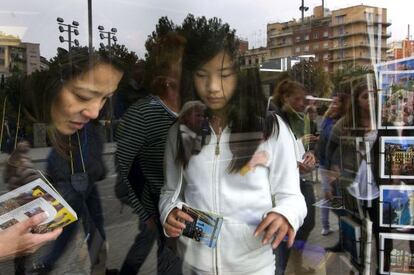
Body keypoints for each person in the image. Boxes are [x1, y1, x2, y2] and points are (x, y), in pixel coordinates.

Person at [159, 16, 306, 275]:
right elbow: (171, 191)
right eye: (202, 76)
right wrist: (168, 211)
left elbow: (292, 196)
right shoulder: (182, 130)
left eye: (224, 75)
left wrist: (285, 215)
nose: (213, 87)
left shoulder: (269, 128)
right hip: (194, 265)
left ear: (238, 76)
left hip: (253, 267)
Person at [3, 47, 124, 273]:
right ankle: (45, 265)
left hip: (85, 182)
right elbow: (59, 158)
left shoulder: (82, 123)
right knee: (64, 229)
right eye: (84, 96)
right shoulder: (68, 125)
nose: (96, 111)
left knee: (89, 227)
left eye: (105, 98)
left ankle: (94, 265)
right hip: (74, 182)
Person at [116, 32, 185, 274]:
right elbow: (124, 169)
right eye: (182, 63)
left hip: (193, 211)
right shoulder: (143, 114)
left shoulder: (194, 111)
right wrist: (147, 215)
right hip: (162, 210)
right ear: (167, 77)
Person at [271, 79, 317, 274]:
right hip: (282, 185)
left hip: (300, 178)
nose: (302, 103)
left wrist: (310, 155)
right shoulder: (273, 120)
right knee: (282, 231)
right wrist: (292, 164)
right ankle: (282, 265)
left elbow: (303, 146)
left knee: (307, 221)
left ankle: (293, 259)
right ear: (284, 97)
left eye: (303, 99)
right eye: (297, 99)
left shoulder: (299, 119)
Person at [317, 94, 348, 236]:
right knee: (327, 195)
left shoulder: (342, 122)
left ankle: (343, 229)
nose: (333, 105)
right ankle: (326, 225)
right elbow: (323, 142)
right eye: (333, 102)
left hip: (336, 167)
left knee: (334, 197)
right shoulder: (327, 120)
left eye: (337, 103)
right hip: (325, 164)